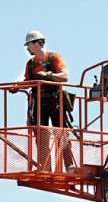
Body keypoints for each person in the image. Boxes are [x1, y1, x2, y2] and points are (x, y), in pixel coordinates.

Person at [23, 30, 75, 173]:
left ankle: (69, 166)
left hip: (55, 101)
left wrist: (48, 75)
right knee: (41, 135)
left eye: (29, 45)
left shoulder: (53, 58)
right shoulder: (31, 64)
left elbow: (65, 76)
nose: (27, 49)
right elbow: (28, 81)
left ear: (37, 44)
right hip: (39, 101)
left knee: (61, 134)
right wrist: (18, 87)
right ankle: (45, 166)